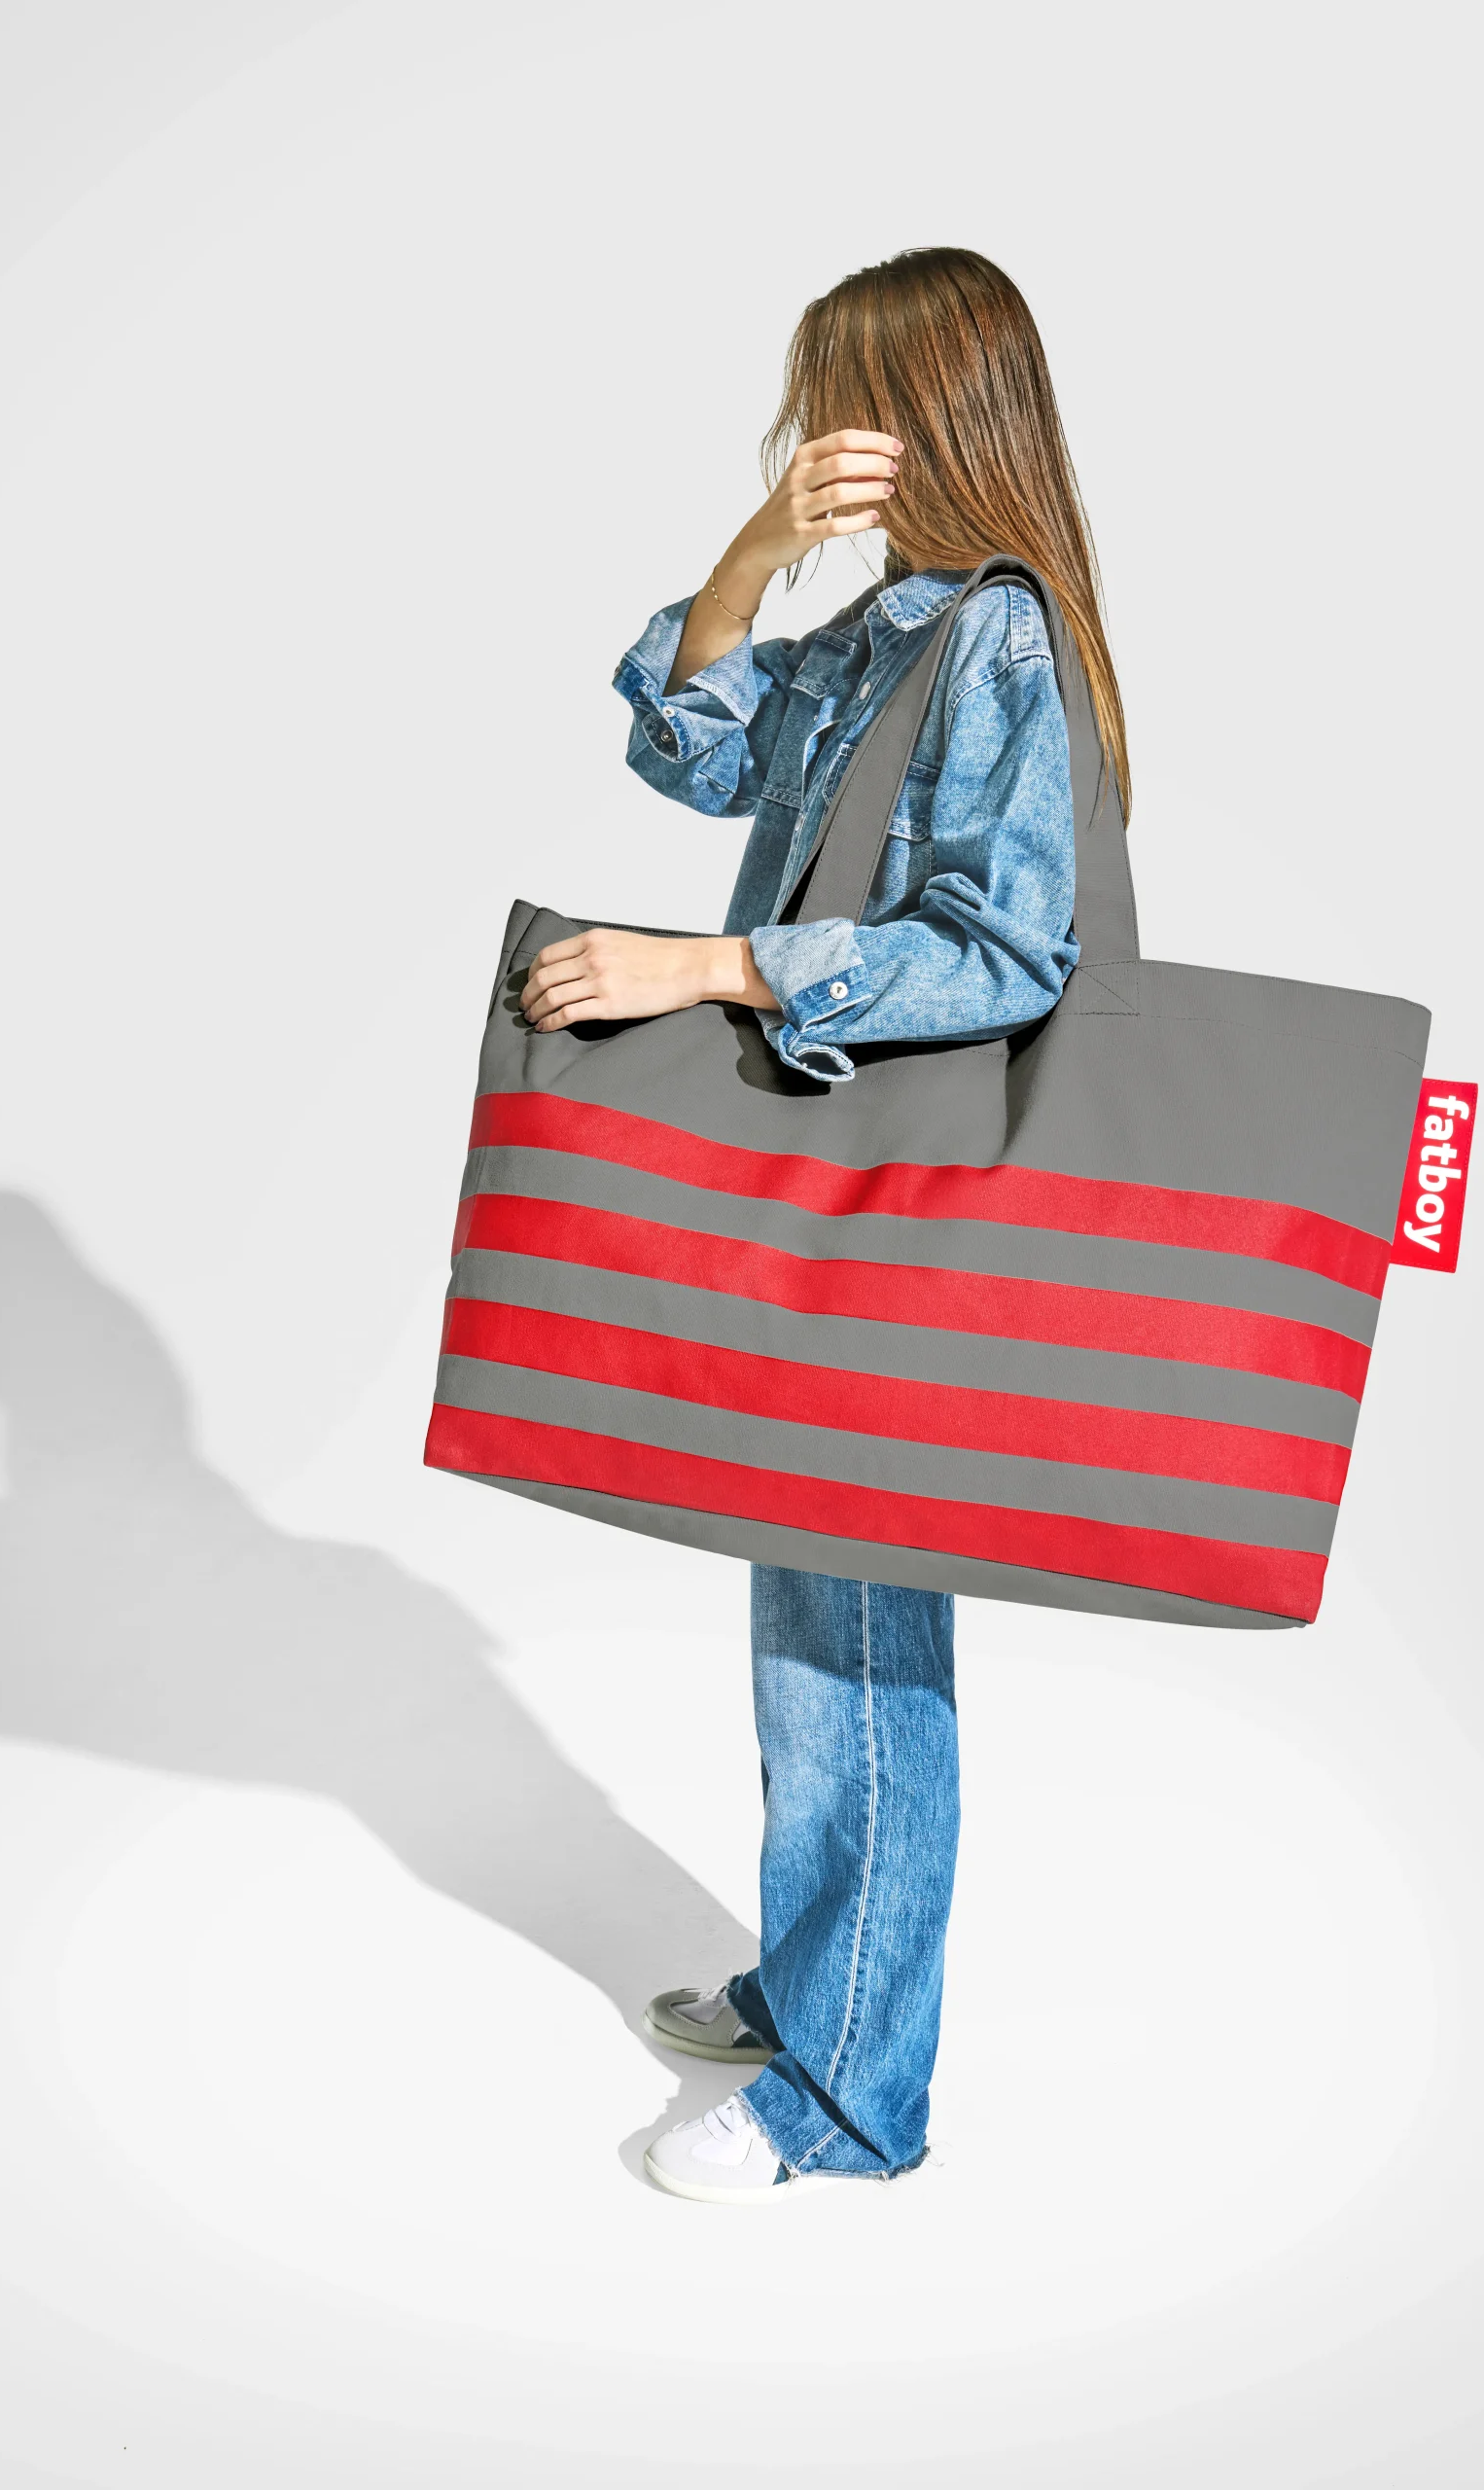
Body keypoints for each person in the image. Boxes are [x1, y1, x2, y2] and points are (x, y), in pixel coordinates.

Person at [518, 246, 1129, 2203]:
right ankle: (815, 1986)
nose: (814, 438)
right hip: (837, 1187)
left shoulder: (1001, 637)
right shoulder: (890, 627)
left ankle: (848, 2097)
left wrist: (707, 967)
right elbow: (691, 748)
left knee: (854, 1635)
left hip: (901, 1206)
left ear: (927, 411)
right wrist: (745, 557)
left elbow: (1008, 950)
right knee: (806, 1593)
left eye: (841, 403)